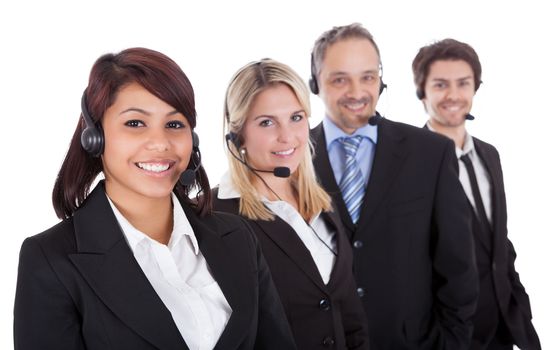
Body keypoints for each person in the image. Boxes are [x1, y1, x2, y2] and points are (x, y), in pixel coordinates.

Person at [13, 47, 296, 350]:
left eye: (174, 124)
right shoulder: (50, 260)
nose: (160, 143)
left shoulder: (238, 237)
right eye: (135, 123)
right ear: (95, 137)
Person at [309, 23, 479, 349]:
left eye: (368, 77)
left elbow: (459, 267)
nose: (357, 92)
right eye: (340, 78)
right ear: (315, 83)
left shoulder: (430, 152)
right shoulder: (294, 159)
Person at [213, 58, 369, 350]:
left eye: (296, 118)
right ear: (238, 135)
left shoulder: (322, 203)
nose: (287, 137)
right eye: (267, 122)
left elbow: (348, 314)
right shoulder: (216, 217)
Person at [412, 38, 541, 350]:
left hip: (504, 325)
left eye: (463, 84)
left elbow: (497, 239)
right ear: (422, 92)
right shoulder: (410, 163)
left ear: (475, 88)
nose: (454, 95)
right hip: (449, 333)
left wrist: (519, 306)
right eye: (441, 84)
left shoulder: (489, 154)